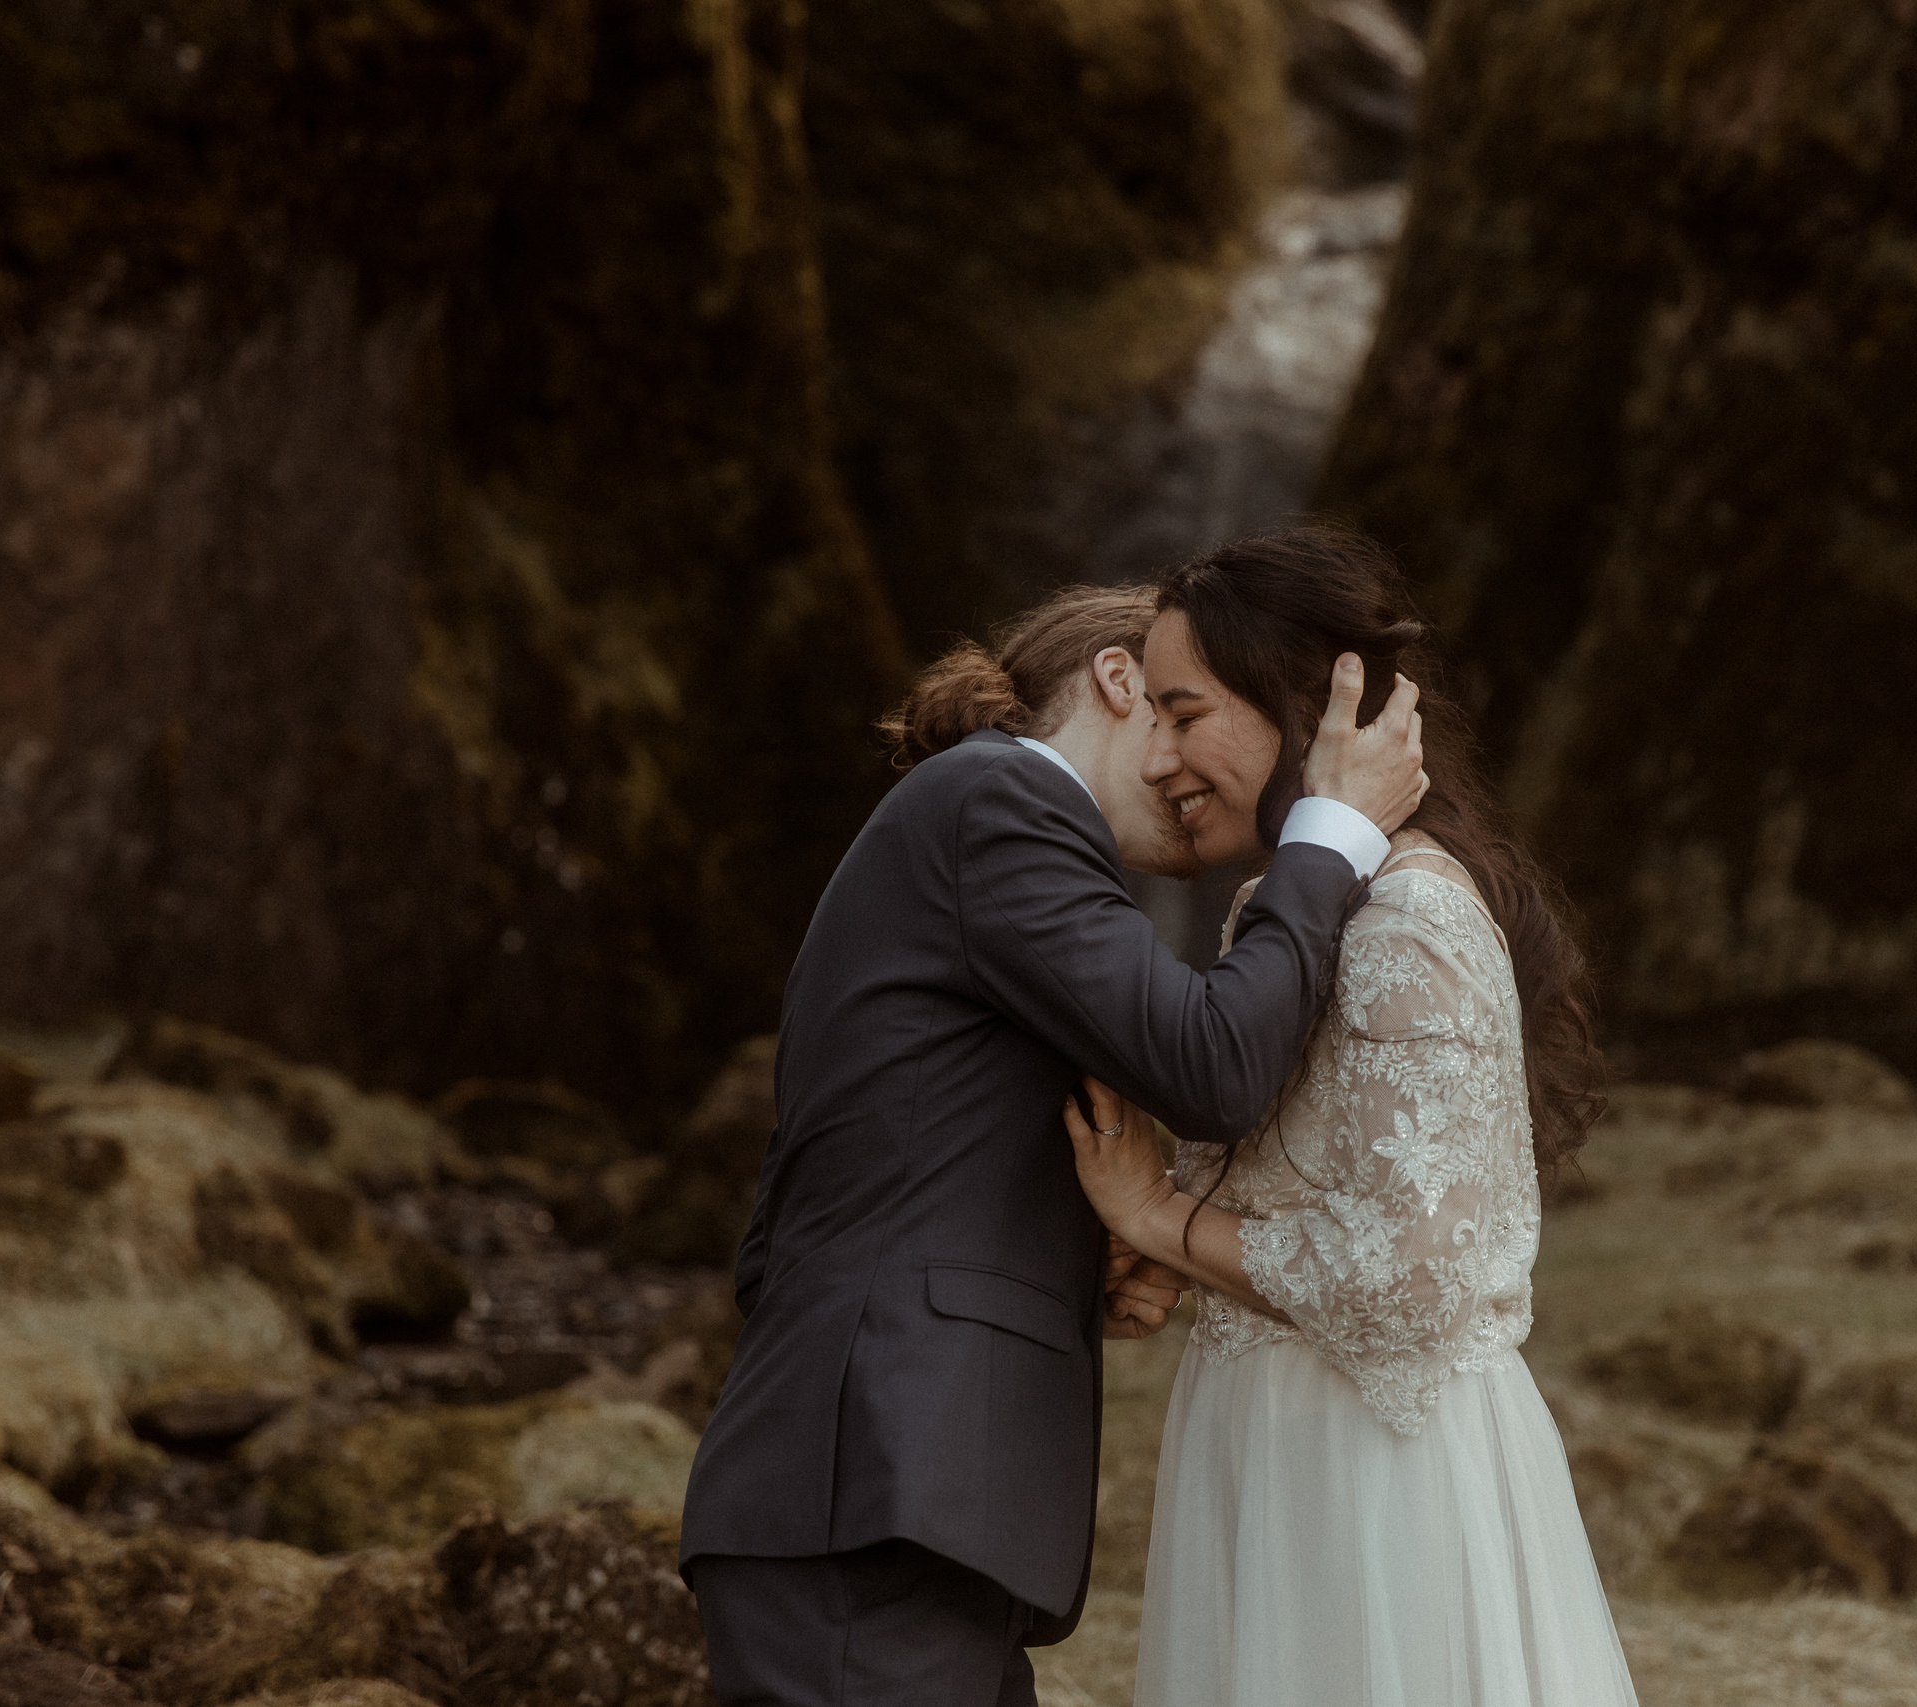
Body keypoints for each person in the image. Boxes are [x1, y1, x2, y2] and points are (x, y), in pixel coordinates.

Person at [680, 583, 1429, 1707]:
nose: (1191, 778)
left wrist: (1082, 1261)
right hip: (875, 1506)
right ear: (1119, 681)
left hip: (899, 1513)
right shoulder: (1000, 800)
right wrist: (1333, 832)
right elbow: (1214, 1067)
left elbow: (882, 1173)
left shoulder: (983, 841)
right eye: (1178, 716)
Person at [1064, 526, 1642, 1706]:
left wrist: (1159, 1215)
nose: (1157, 757)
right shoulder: (1292, 907)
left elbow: (1406, 1279)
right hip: (1268, 1440)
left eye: (1183, 713)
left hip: (1369, 1476)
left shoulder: (1400, 923)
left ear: (1311, 706)